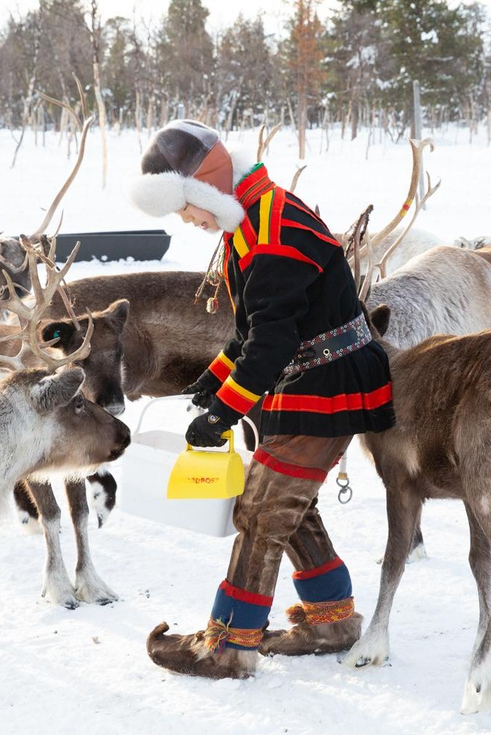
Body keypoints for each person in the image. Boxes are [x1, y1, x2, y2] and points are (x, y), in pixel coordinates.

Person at [129, 119, 395, 679]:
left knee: (262, 508)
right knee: (285, 500)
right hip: (308, 376)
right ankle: (332, 620)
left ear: (205, 188)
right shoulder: (249, 222)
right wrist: (216, 379)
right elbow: (253, 329)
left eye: (185, 208)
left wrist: (226, 410)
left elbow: (274, 338)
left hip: (330, 380)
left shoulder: (273, 228)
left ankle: (228, 645)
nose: (186, 221)